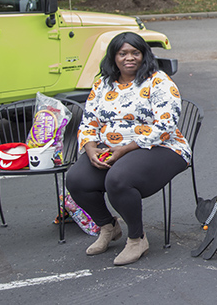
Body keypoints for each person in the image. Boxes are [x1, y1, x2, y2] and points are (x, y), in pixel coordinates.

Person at [67, 31, 191, 266]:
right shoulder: (102, 84)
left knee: (118, 179)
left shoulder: (158, 81)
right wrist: (91, 147)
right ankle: (108, 226)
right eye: (122, 53)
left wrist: (125, 149)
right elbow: (89, 121)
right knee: (76, 179)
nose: (129, 58)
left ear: (144, 55)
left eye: (135, 52)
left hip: (162, 146)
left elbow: (166, 125)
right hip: (112, 147)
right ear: (113, 57)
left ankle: (137, 239)